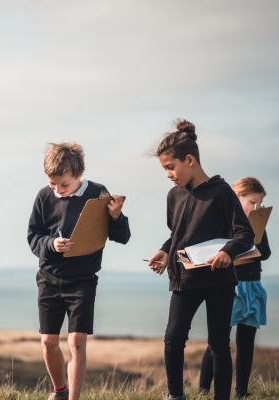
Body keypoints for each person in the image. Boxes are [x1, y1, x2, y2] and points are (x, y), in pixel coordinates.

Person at [147, 120, 255, 400]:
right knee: (172, 339)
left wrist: (227, 252)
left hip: (219, 280)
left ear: (190, 159)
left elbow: (245, 233)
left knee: (219, 344)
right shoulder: (174, 195)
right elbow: (177, 234)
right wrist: (165, 250)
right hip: (185, 279)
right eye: (165, 170)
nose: (168, 175)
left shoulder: (222, 193)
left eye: (171, 167)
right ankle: (175, 396)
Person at [27, 142, 131, 400]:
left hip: (83, 280)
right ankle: (59, 391)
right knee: (49, 342)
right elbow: (33, 238)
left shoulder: (99, 193)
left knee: (77, 341)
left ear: (79, 174)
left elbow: (123, 237)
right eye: (53, 184)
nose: (58, 190)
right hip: (49, 278)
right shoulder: (43, 196)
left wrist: (117, 216)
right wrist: (51, 244)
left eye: (64, 184)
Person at [199, 177, 271, 398]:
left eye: (259, 204)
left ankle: (242, 393)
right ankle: (203, 390)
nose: (256, 207)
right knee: (218, 342)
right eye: (252, 201)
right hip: (232, 286)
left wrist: (249, 246)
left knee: (247, 343)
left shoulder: (257, 224)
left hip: (253, 286)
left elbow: (266, 253)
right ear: (237, 196)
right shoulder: (226, 221)